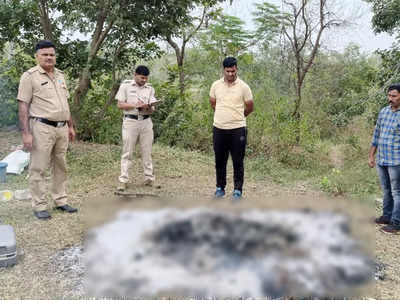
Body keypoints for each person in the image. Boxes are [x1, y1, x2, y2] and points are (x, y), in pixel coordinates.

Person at [17, 40, 78, 220]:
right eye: (45, 54)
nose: (49, 58)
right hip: (41, 127)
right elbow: (23, 106)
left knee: (61, 166)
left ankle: (60, 200)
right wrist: (26, 133)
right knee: (39, 167)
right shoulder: (30, 76)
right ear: (37, 56)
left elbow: (64, 103)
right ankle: (40, 205)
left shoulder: (60, 75)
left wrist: (71, 126)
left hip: (62, 128)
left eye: (51, 54)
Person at [209, 57, 254, 200]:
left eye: (233, 71)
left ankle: (237, 190)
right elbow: (213, 103)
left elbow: (250, 107)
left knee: (238, 161)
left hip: (238, 129)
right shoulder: (215, 85)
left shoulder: (244, 87)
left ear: (237, 69)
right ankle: (220, 188)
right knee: (220, 160)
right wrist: (223, 116)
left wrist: (238, 117)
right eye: (228, 71)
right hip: (219, 128)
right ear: (223, 70)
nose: (230, 74)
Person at [116, 65, 158, 191]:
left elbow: (152, 109)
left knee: (147, 151)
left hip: (146, 122)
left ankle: (149, 178)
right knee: (127, 152)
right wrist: (135, 105)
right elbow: (120, 104)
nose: (144, 80)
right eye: (142, 78)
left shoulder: (150, 89)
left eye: (146, 78)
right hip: (130, 121)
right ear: (135, 75)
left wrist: (149, 107)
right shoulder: (126, 86)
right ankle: (123, 180)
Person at [369, 83, 400, 234]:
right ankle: (386, 217)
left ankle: (396, 223)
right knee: (386, 190)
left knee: (397, 191)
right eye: (389, 95)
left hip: (396, 161)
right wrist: (371, 155)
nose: (390, 99)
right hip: (382, 159)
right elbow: (376, 134)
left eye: (394, 96)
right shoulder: (383, 112)